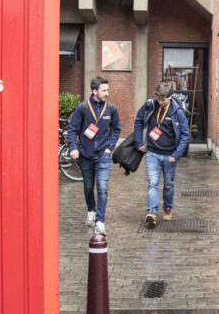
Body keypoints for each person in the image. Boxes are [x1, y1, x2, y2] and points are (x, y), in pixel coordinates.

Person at [67, 77, 121, 235]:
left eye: (107, 90)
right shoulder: (83, 108)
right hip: (86, 155)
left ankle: (100, 221)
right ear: (94, 91)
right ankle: (91, 210)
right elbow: (72, 129)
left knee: (103, 188)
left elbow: (117, 129)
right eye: (104, 90)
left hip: (103, 155)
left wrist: (110, 148)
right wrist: (72, 148)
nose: (107, 93)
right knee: (88, 187)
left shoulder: (111, 109)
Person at [134, 82, 190, 226]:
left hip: (170, 155)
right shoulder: (151, 105)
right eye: (158, 98)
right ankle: (152, 212)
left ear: (170, 97)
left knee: (168, 185)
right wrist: (139, 141)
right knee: (152, 183)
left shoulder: (177, 112)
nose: (160, 102)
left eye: (163, 99)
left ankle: (167, 208)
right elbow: (138, 120)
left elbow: (185, 134)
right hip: (152, 153)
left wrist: (177, 154)